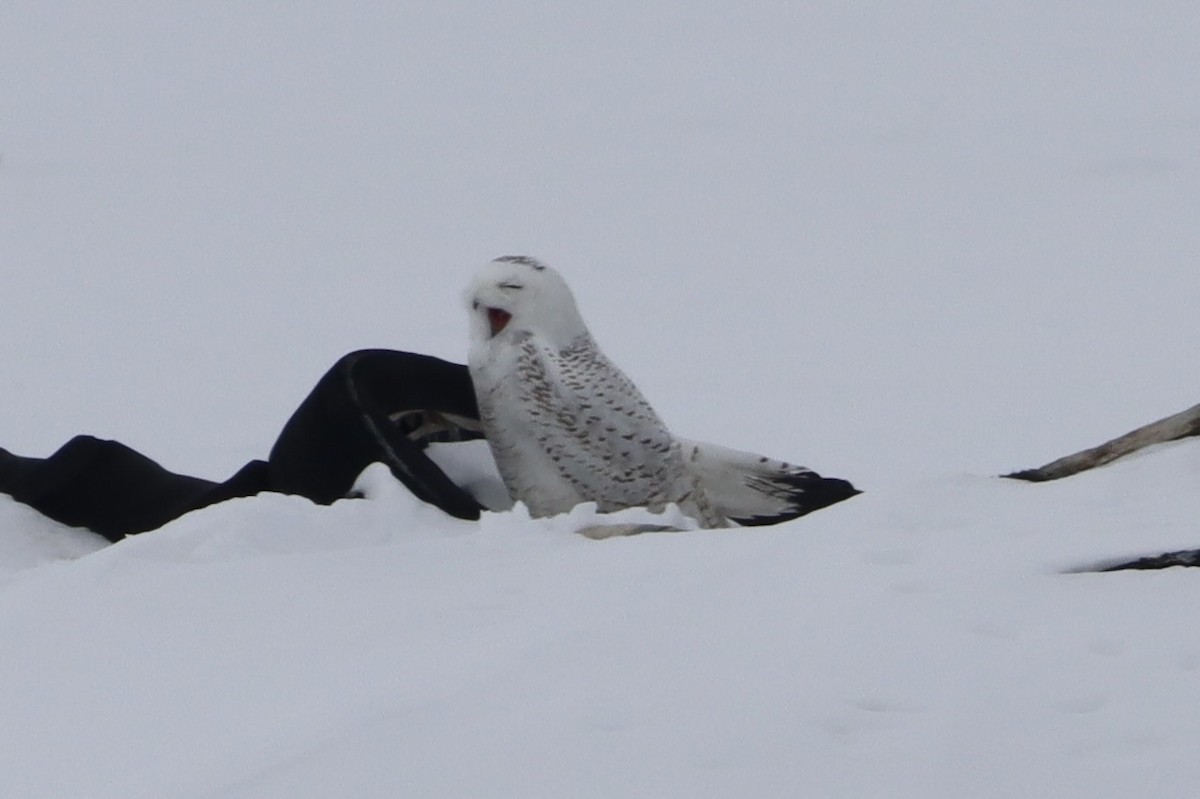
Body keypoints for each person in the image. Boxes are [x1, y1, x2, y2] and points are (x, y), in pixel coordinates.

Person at [0, 351, 487, 543]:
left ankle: (527, 419)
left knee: (358, 384)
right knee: (354, 382)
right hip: (283, 503)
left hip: (281, 499)